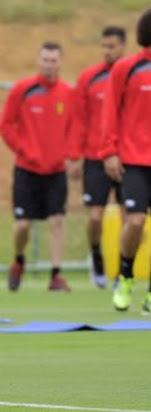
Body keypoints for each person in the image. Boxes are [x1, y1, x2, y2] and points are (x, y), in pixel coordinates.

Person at [100, 8, 151, 314]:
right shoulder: (126, 68)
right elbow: (110, 112)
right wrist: (109, 151)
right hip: (132, 162)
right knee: (134, 221)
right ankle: (126, 275)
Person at [1, 41, 75, 292]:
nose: (49, 64)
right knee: (22, 224)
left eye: (54, 60)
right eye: (45, 59)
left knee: (57, 221)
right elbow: (6, 124)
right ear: (38, 60)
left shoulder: (67, 93)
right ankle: (19, 260)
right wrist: (24, 150)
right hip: (27, 170)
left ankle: (55, 275)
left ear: (60, 62)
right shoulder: (22, 90)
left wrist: (69, 153)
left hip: (56, 171)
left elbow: (75, 127)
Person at [69, 26, 127, 289]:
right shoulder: (88, 78)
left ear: (123, 46)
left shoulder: (131, 75)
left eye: (112, 46)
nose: (107, 51)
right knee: (94, 216)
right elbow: (79, 120)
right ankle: (96, 255)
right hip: (95, 157)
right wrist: (75, 156)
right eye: (103, 46)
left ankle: (122, 271)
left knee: (130, 217)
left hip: (127, 158)